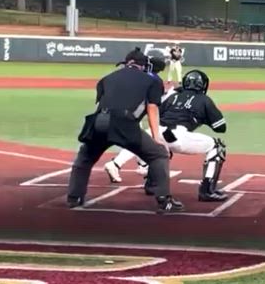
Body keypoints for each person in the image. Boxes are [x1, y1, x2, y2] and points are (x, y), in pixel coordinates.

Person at [65, 48, 183, 213]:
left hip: (98, 120)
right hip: (123, 123)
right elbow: (152, 108)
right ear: (143, 66)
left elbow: (103, 103)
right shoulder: (152, 81)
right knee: (159, 154)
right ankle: (164, 200)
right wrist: (157, 137)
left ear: (127, 63)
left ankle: (74, 197)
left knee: (85, 157)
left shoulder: (107, 78)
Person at [108, 69, 230, 202]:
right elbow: (220, 128)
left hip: (157, 131)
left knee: (158, 148)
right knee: (217, 147)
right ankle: (207, 190)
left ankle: (151, 183)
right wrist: (202, 119)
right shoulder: (204, 100)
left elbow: (157, 114)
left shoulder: (173, 97)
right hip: (177, 135)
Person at [104, 54, 173, 181]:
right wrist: (169, 95)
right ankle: (115, 164)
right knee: (135, 141)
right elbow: (153, 105)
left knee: (137, 141)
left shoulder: (138, 74)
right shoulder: (156, 80)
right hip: (132, 115)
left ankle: (143, 164)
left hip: (116, 110)